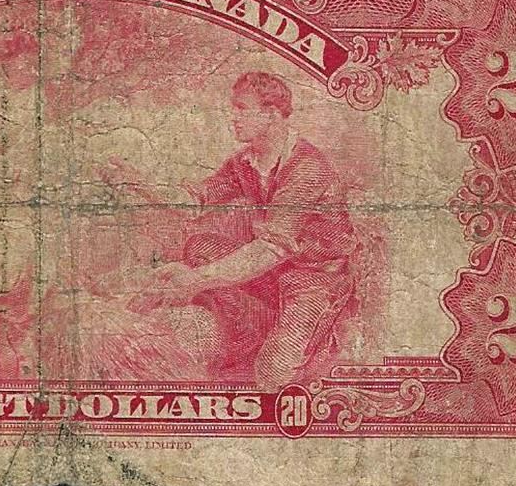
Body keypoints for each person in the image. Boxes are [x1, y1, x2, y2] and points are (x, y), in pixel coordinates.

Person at [134, 71, 359, 389]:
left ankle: (308, 335)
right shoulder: (246, 162)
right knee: (199, 247)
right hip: (274, 272)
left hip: (314, 279)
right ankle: (256, 330)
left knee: (272, 375)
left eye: (241, 108)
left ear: (271, 114)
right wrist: (140, 186)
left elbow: (269, 250)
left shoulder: (307, 167)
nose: (233, 117)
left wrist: (194, 279)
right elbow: (199, 197)